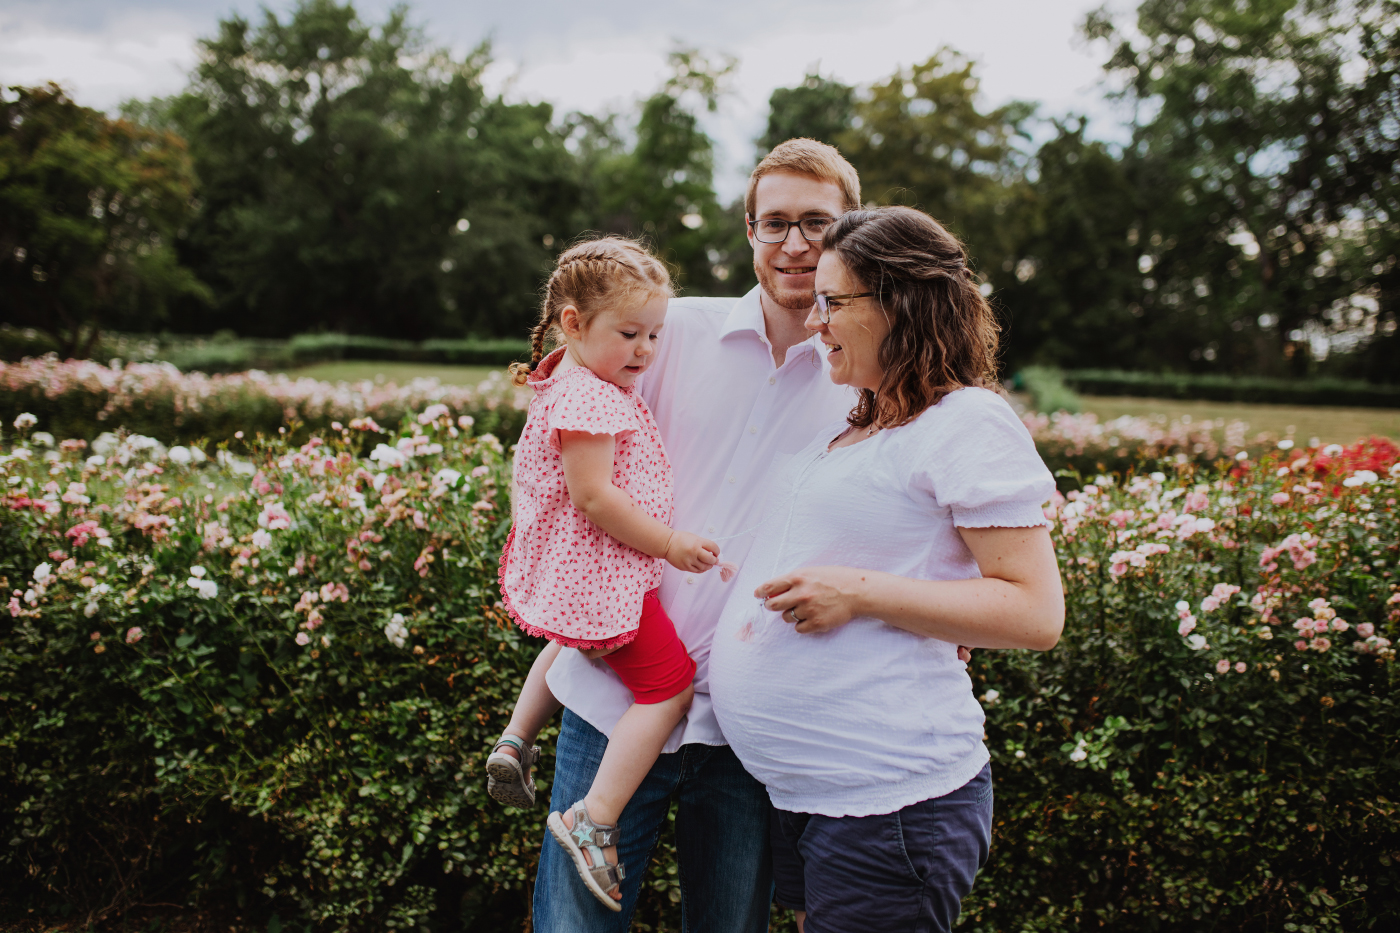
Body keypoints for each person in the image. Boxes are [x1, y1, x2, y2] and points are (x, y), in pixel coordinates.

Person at [528, 139, 862, 931]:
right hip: (615, 687)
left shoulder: (865, 375)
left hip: (749, 717)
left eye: (817, 223)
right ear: (749, 231)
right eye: (774, 222)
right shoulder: (669, 330)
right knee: (572, 925)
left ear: (852, 230)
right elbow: (564, 415)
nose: (795, 244)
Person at [708, 206, 1066, 933]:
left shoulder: (966, 421)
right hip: (812, 791)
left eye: (833, 302)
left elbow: (1035, 612)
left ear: (901, 303)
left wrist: (858, 592)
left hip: (892, 799)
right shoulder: (861, 421)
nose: (816, 323)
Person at [488, 236, 725, 910]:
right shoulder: (592, 399)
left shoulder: (567, 374)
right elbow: (595, 496)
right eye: (630, 333)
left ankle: (516, 737)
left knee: (569, 638)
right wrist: (670, 543)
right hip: (603, 568)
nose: (646, 350)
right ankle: (594, 816)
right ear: (572, 321)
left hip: (574, 573)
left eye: (653, 333)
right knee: (669, 686)